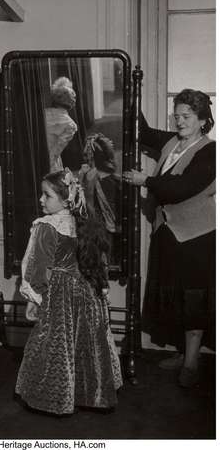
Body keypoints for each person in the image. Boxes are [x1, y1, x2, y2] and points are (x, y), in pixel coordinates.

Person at [123, 89, 215, 388]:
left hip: (196, 237)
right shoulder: (172, 142)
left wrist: (145, 180)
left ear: (203, 119)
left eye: (187, 117)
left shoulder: (209, 151)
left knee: (193, 299)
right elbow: (144, 132)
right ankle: (183, 352)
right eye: (176, 116)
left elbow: (180, 188)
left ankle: (191, 362)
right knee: (175, 296)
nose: (180, 122)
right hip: (168, 232)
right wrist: (130, 94)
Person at [15, 168, 122, 415]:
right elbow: (98, 262)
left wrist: (34, 298)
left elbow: (38, 267)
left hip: (60, 294)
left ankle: (55, 396)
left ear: (66, 199)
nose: (41, 200)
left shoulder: (46, 226)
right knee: (88, 343)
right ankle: (91, 393)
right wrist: (102, 288)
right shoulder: (85, 223)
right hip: (88, 292)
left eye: (47, 195)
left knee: (58, 343)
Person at [79, 133, 122, 265]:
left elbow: (86, 207)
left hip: (100, 229)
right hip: (113, 228)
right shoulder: (116, 180)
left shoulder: (92, 178)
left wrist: (83, 181)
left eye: (86, 156)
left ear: (92, 158)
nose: (85, 159)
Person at [44, 77, 78, 172]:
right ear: (71, 103)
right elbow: (55, 151)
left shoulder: (43, 113)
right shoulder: (70, 125)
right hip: (49, 162)